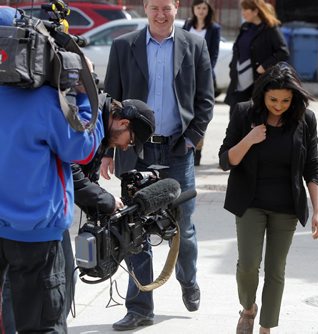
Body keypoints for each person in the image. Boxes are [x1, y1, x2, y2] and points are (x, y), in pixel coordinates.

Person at [100, 0, 214, 330]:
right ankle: (139, 308)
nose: (161, 15)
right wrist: (108, 149)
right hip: (136, 152)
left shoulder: (194, 45)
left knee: (184, 229)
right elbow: (111, 102)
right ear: (146, 9)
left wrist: (191, 140)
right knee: (134, 229)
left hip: (177, 152)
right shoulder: (124, 46)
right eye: (154, 8)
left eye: (166, 7)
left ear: (177, 7)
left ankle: (188, 279)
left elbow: (205, 100)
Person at [0, 7, 105, 333]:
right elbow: (83, 149)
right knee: (43, 323)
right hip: (35, 232)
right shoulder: (45, 104)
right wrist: (87, 95)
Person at [219, 62, 318, 334]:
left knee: (276, 270)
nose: (279, 105)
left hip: (286, 207)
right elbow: (226, 160)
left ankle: (266, 327)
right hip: (250, 202)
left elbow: (312, 166)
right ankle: (248, 308)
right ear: (263, 94)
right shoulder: (244, 113)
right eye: (273, 99)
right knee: (248, 265)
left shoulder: (305, 120)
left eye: (286, 101)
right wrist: (250, 139)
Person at [224, 0, 289, 118]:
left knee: (254, 119)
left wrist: (264, 66)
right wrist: (232, 67)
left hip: (257, 82)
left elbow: (283, 52)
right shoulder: (245, 27)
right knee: (235, 119)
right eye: (242, 9)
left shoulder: (270, 28)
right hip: (238, 81)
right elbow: (238, 49)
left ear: (255, 11)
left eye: (245, 10)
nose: (242, 13)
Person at [182, 0, 221, 166]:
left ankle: (197, 150)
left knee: (200, 113)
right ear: (193, 9)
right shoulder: (187, 24)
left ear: (208, 10)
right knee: (185, 112)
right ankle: (185, 147)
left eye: (204, 8)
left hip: (202, 75)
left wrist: (205, 74)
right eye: (198, 8)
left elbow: (213, 54)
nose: (201, 11)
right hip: (185, 75)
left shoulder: (214, 28)